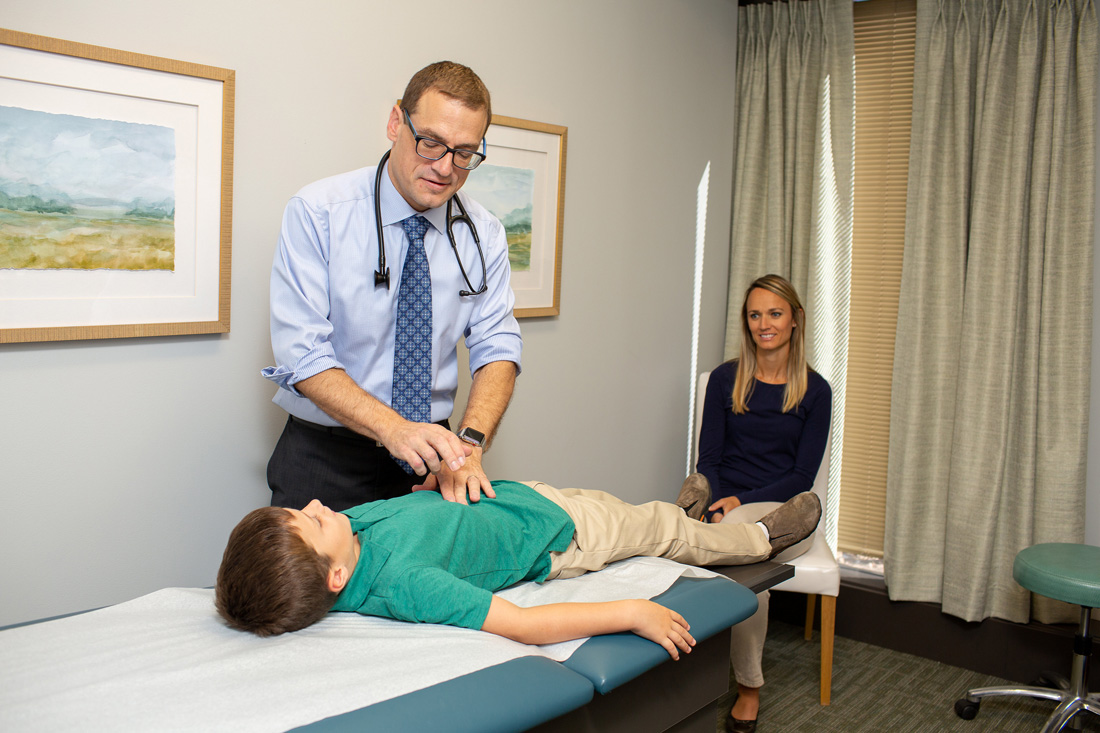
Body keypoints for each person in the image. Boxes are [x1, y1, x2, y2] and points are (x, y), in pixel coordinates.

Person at [261, 61, 521, 512]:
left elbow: (497, 345)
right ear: (396, 122)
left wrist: (469, 443)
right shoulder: (319, 212)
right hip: (326, 456)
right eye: (431, 143)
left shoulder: (484, 233)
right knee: (315, 585)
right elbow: (302, 354)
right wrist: (393, 428)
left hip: (434, 460)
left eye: (465, 153)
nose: (445, 168)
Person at [215, 478, 822, 658]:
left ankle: (674, 522)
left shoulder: (350, 534)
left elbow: (418, 515)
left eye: (303, 509)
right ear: (336, 579)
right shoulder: (405, 585)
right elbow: (525, 625)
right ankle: (759, 539)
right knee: (653, 529)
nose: (318, 505)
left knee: (628, 511)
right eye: (311, 520)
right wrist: (630, 612)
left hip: (522, 498)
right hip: (560, 536)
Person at [696, 274, 832, 733]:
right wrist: (716, 497)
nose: (763, 324)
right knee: (701, 521)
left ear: (794, 320)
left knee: (746, 554)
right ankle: (693, 512)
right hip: (722, 504)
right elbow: (709, 459)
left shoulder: (815, 391)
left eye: (774, 313)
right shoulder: (724, 380)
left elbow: (800, 477)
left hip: (784, 515)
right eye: (755, 315)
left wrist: (738, 502)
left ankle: (749, 688)